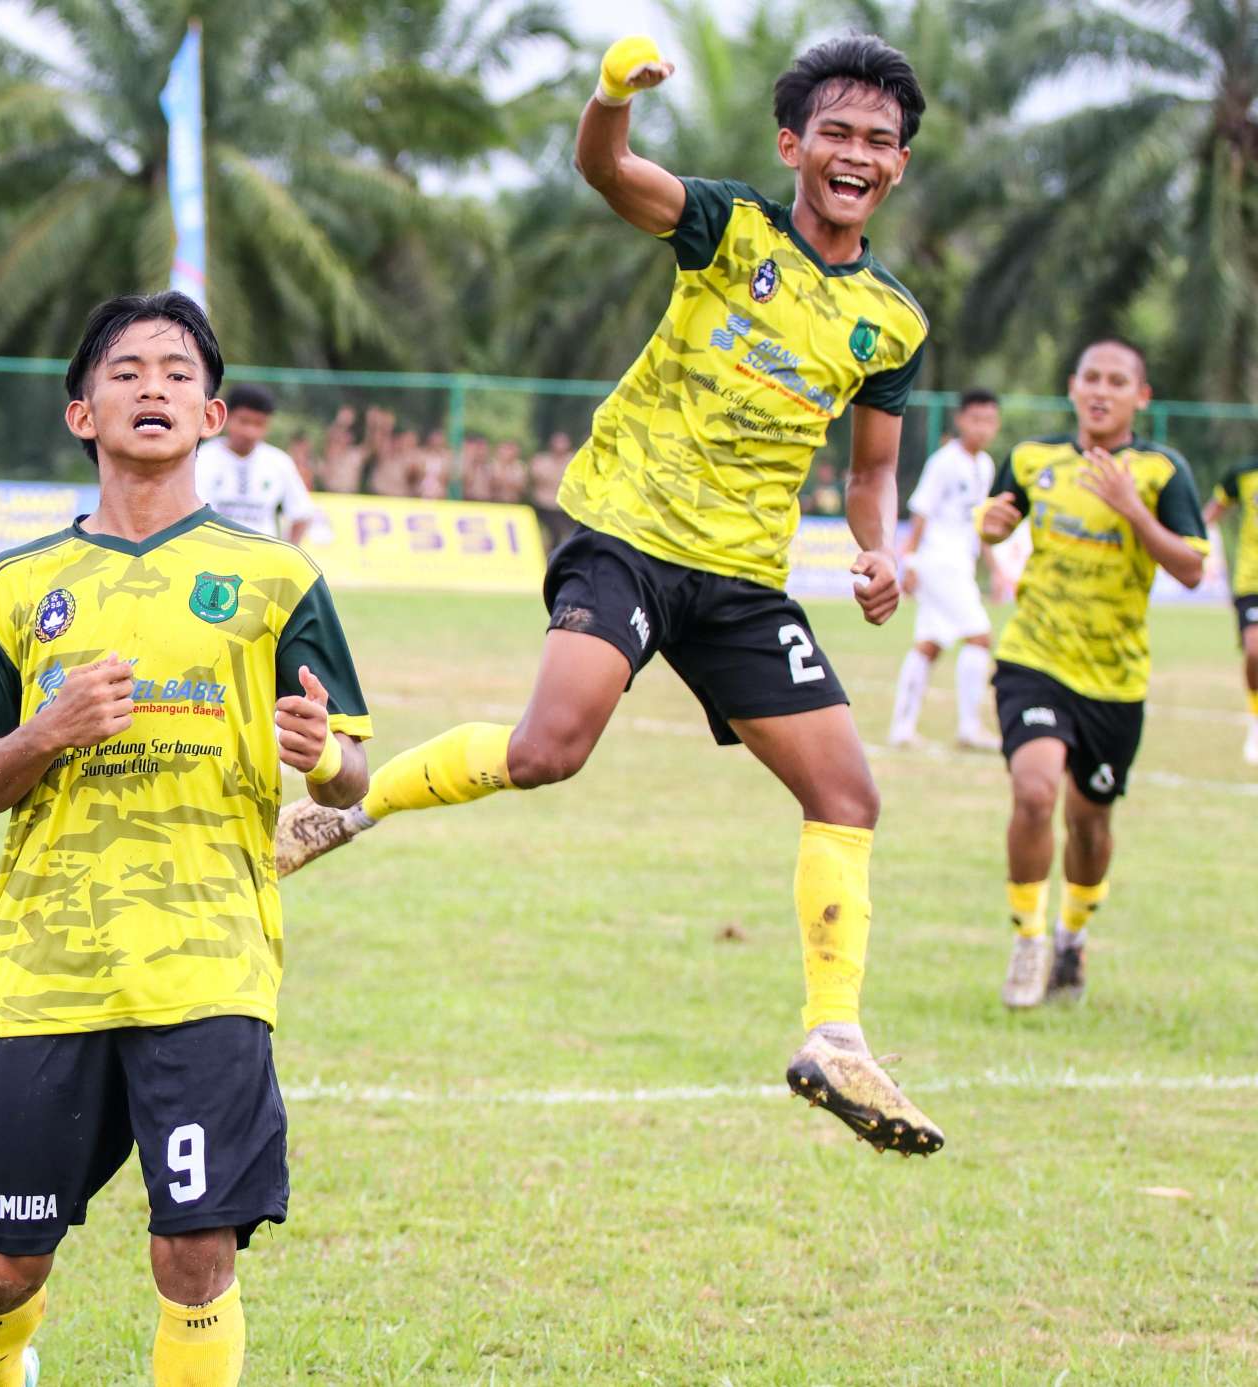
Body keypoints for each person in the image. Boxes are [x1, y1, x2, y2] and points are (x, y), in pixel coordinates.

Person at [275, 33, 946, 1155]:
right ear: (793, 143)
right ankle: (351, 805)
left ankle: (834, 1035)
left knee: (848, 794)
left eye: (879, 140)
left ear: (898, 167)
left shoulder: (894, 320)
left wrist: (876, 552)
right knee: (547, 750)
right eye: (835, 132)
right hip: (626, 533)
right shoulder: (734, 231)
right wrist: (608, 99)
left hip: (741, 579)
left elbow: (871, 469)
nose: (855, 153)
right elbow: (606, 171)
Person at [0, 292, 372, 1387]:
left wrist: (320, 752)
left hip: (209, 954)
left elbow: (351, 767)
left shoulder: (276, 578)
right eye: (125, 371)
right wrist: (49, 730)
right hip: (49, 967)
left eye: (177, 372)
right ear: (82, 413)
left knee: (196, 1248)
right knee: (3, 1267)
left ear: (214, 414)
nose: (153, 387)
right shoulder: (19, 586)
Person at [983, 340, 1208, 1008]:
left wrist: (1131, 508)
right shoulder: (1031, 458)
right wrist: (990, 523)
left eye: (1117, 381)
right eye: (1091, 378)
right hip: (1035, 656)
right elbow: (998, 517)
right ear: (1073, 388)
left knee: (1089, 825)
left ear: (1141, 396)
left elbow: (1193, 568)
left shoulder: (1163, 472)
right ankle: (1027, 942)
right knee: (1034, 792)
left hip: (1114, 678)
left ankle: (1072, 936)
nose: (1101, 390)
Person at [888, 390, 1004, 749]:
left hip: (959, 564)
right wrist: (907, 560)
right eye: (976, 419)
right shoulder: (944, 462)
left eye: (989, 421)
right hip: (939, 562)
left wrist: (996, 568)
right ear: (961, 420)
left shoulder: (984, 466)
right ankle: (969, 727)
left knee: (930, 644)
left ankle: (902, 729)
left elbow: (982, 524)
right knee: (980, 636)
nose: (982, 428)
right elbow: (920, 512)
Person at [194, 383, 318, 542]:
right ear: (225, 416)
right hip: (212, 559)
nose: (250, 432)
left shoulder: (278, 462)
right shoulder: (202, 458)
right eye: (244, 421)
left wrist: (287, 554)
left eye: (259, 424)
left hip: (262, 561)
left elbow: (302, 513)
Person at [1201, 455, 1258, 763]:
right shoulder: (1243, 472)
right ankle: (1255, 720)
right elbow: (1210, 515)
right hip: (1252, 581)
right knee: (1254, 651)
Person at [529, 430, 576, 551]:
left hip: (566, 507)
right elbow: (535, 479)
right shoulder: (541, 460)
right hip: (544, 505)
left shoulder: (574, 460)